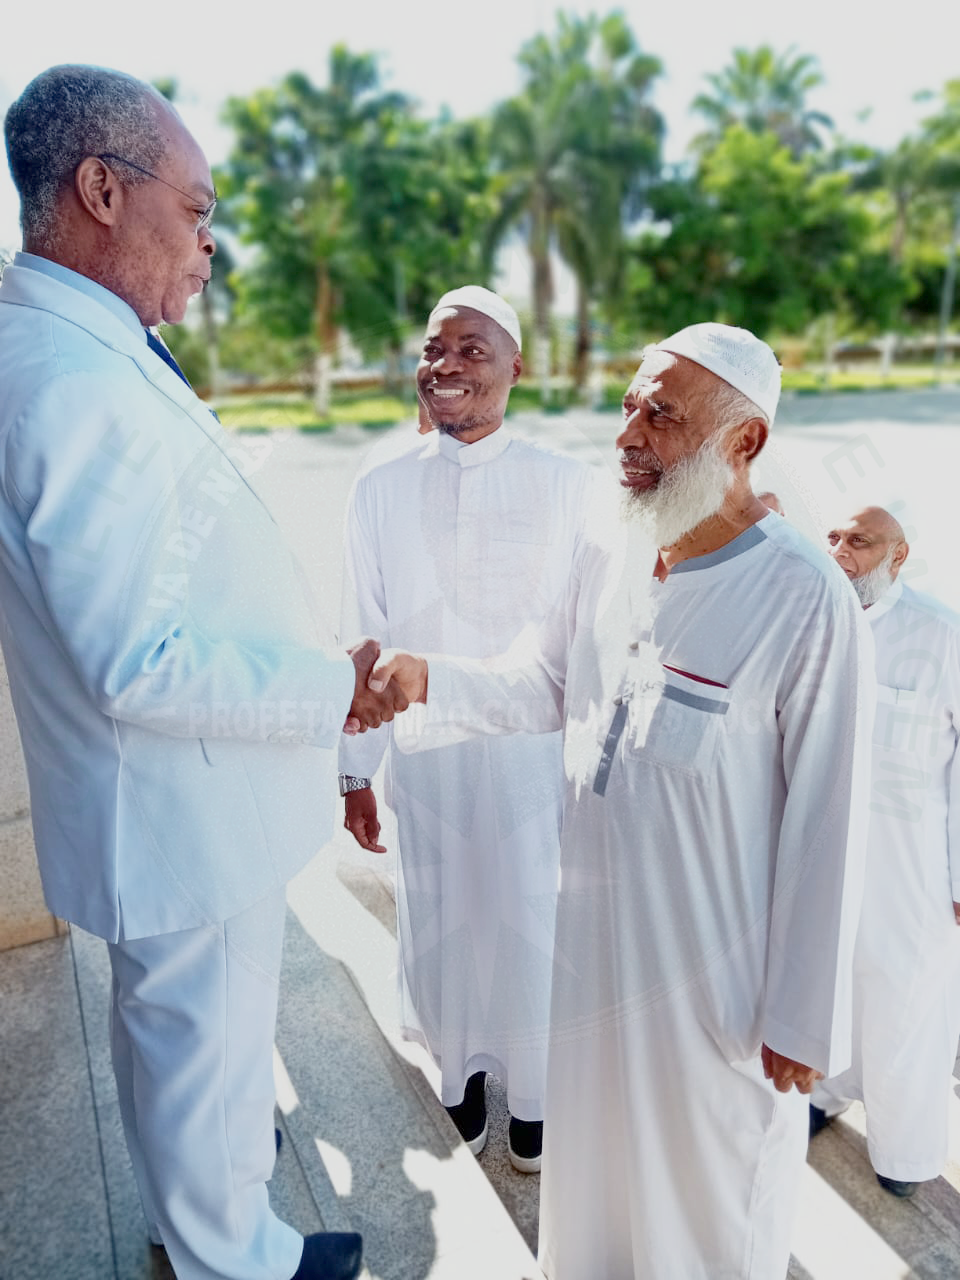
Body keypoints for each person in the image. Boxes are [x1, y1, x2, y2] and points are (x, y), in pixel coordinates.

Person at [0, 65, 407, 1280]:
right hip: (175, 806)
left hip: (186, 799)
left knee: (196, 1051)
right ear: (102, 191)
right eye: (199, 207)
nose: (211, 243)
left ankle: (219, 1231)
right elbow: (139, 659)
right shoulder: (68, 379)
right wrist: (330, 689)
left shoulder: (83, 342)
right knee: (197, 1049)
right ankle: (234, 1262)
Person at [371, 322, 874, 1278]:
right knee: (595, 1204)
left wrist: (804, 1015)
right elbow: (551, 683)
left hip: (715, 996)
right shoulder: (616, 555)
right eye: (631, 406)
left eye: (665, 414)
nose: (630, 434)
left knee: (704, 1220)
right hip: (593, 962)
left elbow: (828, 816)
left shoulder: (804, 595)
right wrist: (429, 676)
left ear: (746, 441)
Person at [339, 285, 598, 1172]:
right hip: (426, 763)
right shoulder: (378, 487)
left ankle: (533, 1099)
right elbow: (360, 633)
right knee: (442, 916)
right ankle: (457, 1082)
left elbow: (586, 645)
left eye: (471, 351)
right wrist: (352, 770)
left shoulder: (570, 486)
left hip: (534, 762)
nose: (445, 366)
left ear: (517, 367)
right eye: (432, 350)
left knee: (533, 921)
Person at [811, 506, 960, 1197]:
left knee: (905, 1004)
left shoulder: (941, 634)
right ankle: (828, 1092)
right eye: (834, 538)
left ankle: (902, 1153)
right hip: (828, 853)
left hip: (913, 866)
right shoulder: (813, 620)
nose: (840, 551)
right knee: (831, 983)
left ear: (898, 556)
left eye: (859, 542)